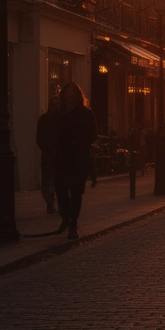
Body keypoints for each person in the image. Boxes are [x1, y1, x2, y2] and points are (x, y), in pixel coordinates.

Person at [54, 83, 97, 239]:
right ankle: (66, 217)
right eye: (67, 92)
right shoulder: (59, 114)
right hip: (61, 158)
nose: (70, 95)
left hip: (78, 158)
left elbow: (93, 134)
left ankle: (73, 223)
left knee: (76, 191)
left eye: (73, 92)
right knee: (61, 190)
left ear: (78, 96)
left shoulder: (86, 114)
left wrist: (79, 142)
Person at [36, 95, 61, 215]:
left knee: (57, 181)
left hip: (57, 155)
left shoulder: (62, 119)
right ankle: (50, 203)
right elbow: (39, 139)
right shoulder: (44, 120)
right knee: (48, 181)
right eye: (54, 104)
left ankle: (56, 203)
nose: (56, 106)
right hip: (49, 155)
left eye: (58, 104)